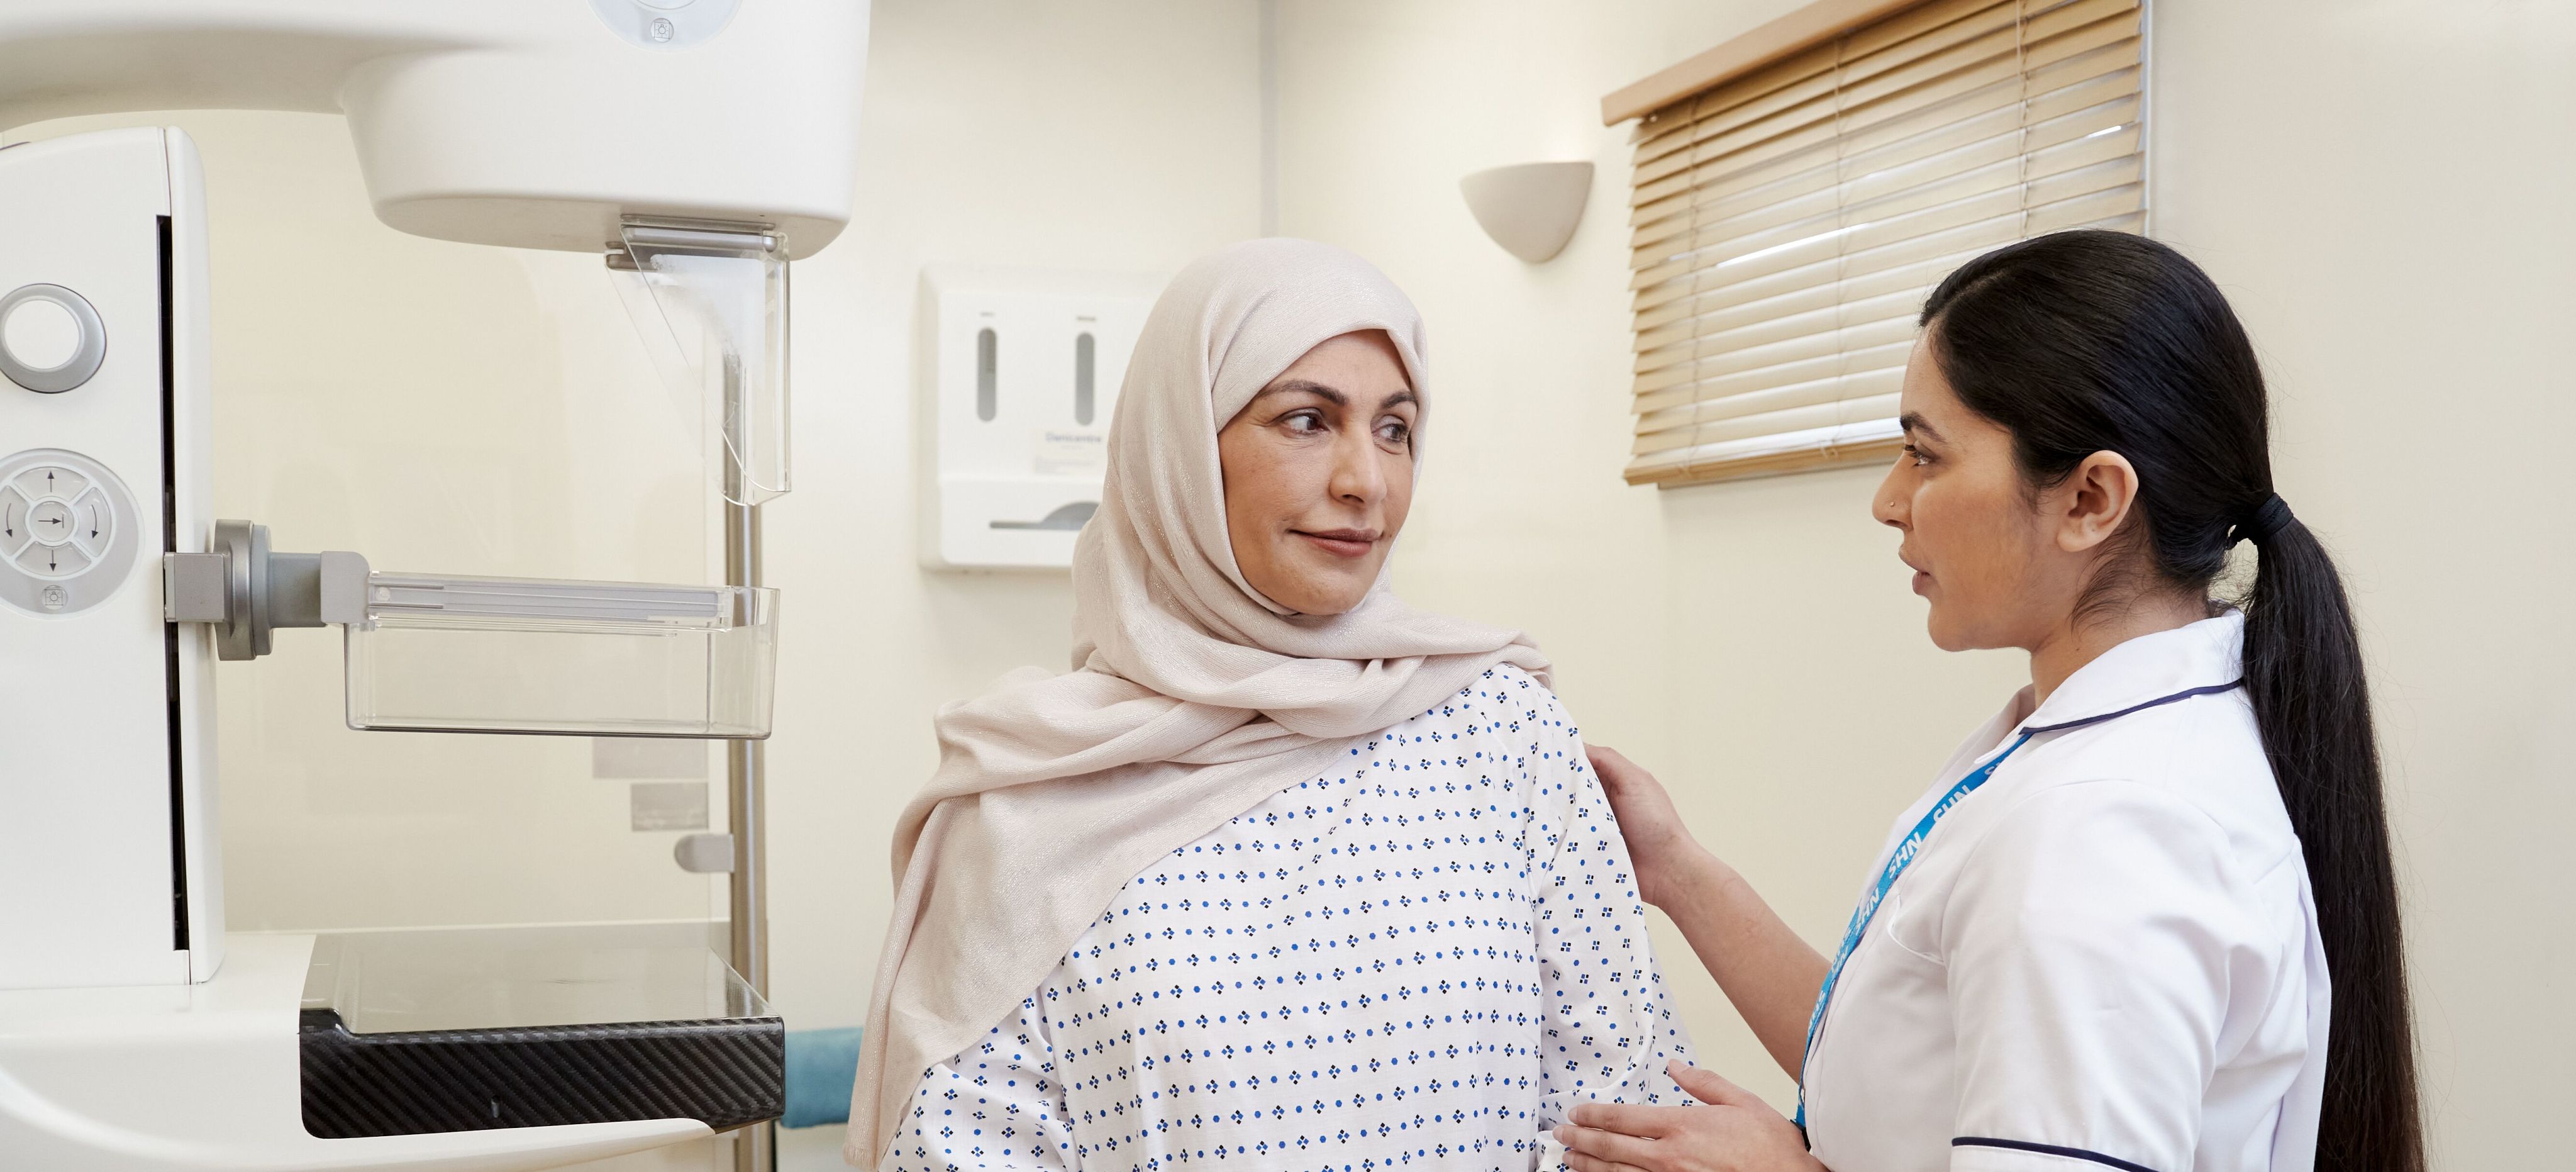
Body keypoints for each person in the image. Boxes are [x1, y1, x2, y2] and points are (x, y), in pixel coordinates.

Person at [1552, 231, 2422, 1172]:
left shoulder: (2104, 830)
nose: (1890, 501)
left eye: (1924, 456)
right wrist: (1678, 871)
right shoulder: (2109, 748)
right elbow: (1912, 1066)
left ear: (2091, 498)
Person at [848, 238, 1696, 1172]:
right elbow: (967, 1147)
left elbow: (1628, 1112)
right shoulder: (1026, 795)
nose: (1365, 482)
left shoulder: (1502, 731)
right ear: (1181, 448)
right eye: (1305, 420)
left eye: (1395, 429)